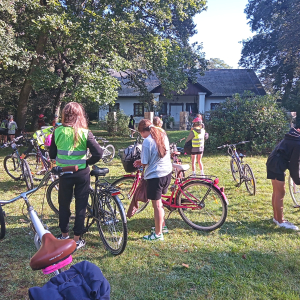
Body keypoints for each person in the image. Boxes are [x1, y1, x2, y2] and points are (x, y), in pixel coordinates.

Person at [49, 102, 103, 249]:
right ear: (80, 115)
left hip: (64, 173)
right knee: (81, 205)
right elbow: (98, 153)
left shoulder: (57, 131)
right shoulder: (85, 132)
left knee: (64, 204)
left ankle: (64, 235)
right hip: (81, 173)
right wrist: (87, 162)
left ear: (64, 115)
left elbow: (52, 154)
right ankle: (77, 238)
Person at [133, 119, 172, 241]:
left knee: (157, 206)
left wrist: (140, 162)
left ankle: (158, 234)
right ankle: (162, 226)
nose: (141, 136)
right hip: (167, 173)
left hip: (156, 176)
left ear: (142, 131)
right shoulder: (162, 134)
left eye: (140, 133)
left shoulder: (147, 141)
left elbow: (145, 162)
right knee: (159, 202)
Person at [266, 127, 300, 230]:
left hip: (273, 161)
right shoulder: (298, 142)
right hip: (276, 165)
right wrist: (298, 180)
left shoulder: (293, 136)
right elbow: (294, 164)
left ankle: (276, 218)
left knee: (276, 192)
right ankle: (281, 221)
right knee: (280, 193)